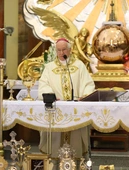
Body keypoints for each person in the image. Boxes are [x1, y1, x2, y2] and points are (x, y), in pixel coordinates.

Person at [38, 38, 95, 169]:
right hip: (56, 110)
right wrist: (51, 97)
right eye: (58, 50)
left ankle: (77, 164)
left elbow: (88, 84)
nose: (61, 52)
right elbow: (43, 85)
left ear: (70, 50)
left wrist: (84, 96)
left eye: (64, 49)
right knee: (55, 142)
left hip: (76, 110)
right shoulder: (49, 67)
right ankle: (54, 165)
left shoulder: (79, 65)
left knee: (75, 142)